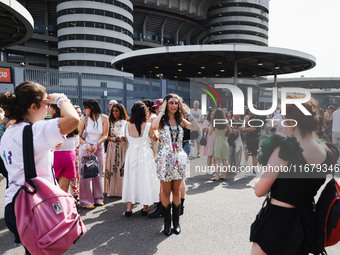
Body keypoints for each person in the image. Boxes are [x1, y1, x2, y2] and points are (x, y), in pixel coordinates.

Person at [250, 96, 336, 255]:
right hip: (306, 222)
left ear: (291, 122)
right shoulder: (328, 152)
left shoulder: (285, 150)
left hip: (278, 221)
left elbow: (259, 190)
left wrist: (266, 165)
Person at [0, 81, 79, 253]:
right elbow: (73, 120)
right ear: (34, 106)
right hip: (35, 205)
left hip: (14, 205)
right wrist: (60, 99)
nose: (48, 108)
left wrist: (48, 147)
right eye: (46, 103)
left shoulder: (8, 132)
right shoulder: (36, 130)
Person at [152, 94, 199, 236]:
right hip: (165, 159)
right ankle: (167, 223)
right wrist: (162, 110)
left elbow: (196, 127)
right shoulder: (161, 120)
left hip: (178, 158)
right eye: (171, 103)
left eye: (176, 103)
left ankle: (176, 222)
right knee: (166, 191)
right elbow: (153, 126)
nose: (174, 105)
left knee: (176, 191)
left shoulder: (180, 120)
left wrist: (186, 112)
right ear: (166, 104)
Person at [122, 101, 159, 216]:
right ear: (145, 113)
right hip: (144, 153)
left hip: (131, 153)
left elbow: (127, 140)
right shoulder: (148, 126)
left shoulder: (126, 125)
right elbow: (155, 139)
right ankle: (144, 207)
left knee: (131, 178)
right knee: (144, 179)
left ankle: (128, 209)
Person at [78, 99, 109, 209]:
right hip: (85, 148)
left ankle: (98, 198)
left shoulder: (104, 118)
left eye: (85, 107)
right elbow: (79, 136)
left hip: (98, 147)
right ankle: (86, 201)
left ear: (90, 108)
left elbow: (105, 134)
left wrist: (97, 143)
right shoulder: (84, 119)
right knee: (85, 175)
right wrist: (86, 144)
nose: (83, 110)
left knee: (98, 174)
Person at [104, 103, 129, 197]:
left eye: (116, 111)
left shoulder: (127, 122)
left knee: (121, 167)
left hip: (123, 147)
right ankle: (112, 189)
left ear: (121, 112)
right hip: (112, 146)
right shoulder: (109, 122)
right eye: (113, 111)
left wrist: (125, 138)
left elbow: (129, 135)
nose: (114, 113)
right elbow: (105, 136)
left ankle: (122, 190)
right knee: (112, 167)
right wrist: (114, 139)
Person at [52, 106, 79, 193]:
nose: (48, 109)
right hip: (69, 155)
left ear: (55, 110)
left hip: (55, 154)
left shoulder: (52, 123)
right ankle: (64, 205)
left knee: (53, 186)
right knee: (64, 190)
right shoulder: (72, 122)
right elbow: (77, 143)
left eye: (50, 107)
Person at [209, 108, 232, 181]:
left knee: (217, 160)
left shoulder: (214, 122)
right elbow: (230, 131)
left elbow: (209, 133)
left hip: (217, 142)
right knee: (225, 160)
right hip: (225, 141)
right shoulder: (226, 121)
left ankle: (217, 176)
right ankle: (224, 175)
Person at [70, 105, 83, 200]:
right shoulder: (69, 124)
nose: (79, 114)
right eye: (77, 112)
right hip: (72, 152)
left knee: (77, 174)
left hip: (80, 151)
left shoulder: (82, 122)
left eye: (80, 112)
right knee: (72, 174)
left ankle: (76, 192)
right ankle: (73, 193)